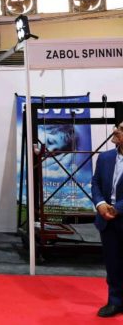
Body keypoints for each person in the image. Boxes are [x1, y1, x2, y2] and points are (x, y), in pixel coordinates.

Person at [92, 120, 123, 318]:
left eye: (121, 129)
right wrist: (100, 204)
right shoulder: (104, 158)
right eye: (117, 127)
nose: (115, 131)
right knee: (112, 263)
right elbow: (95, 183)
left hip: (119, 214)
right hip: (106, 219)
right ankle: (115, 301)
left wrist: (117, 208)